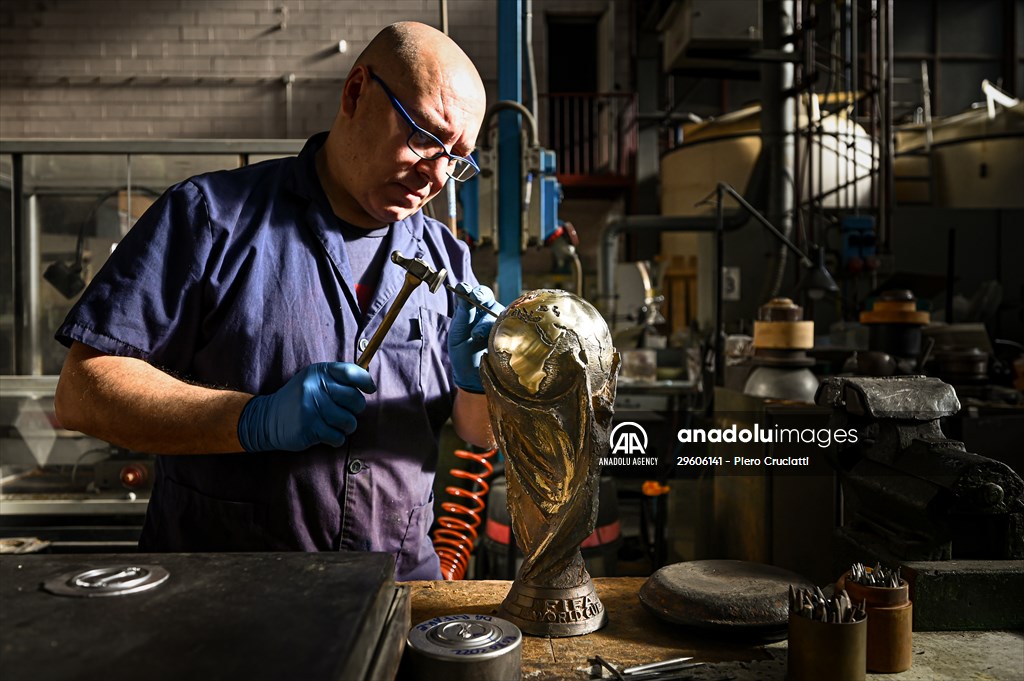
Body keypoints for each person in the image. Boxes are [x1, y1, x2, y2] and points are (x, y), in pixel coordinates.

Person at [52, 22, 502, 581]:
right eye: (423, 137)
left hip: (397, 588)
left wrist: (482, 382)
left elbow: (478, 432)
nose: (436, 175)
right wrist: (252, 420)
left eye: (456, 158)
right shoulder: (209, 217)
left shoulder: (445, 257)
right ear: (356, 92)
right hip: (226, 594)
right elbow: (82, 393)